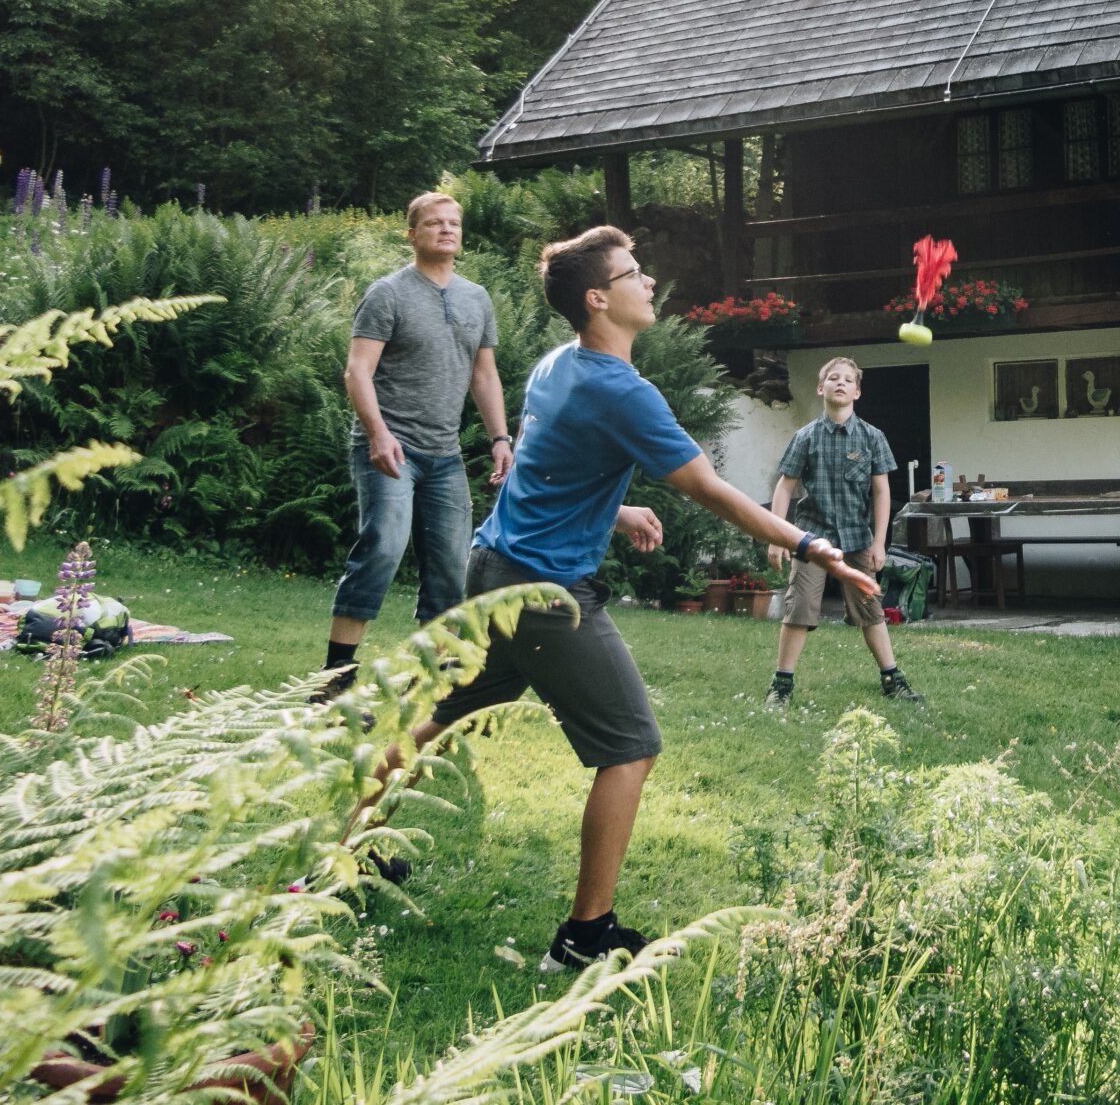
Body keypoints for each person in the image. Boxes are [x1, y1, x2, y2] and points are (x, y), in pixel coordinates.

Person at [360, 227, 878, 970]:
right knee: (630, 749)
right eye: (634, 273)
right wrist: (811, 546)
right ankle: (585, 935)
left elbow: (550, 466)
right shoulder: (621, 389)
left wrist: (619, 509)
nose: (648, 283)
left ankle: (340, 860)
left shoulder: (555, 366)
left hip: (492, 571)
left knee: (439, 718)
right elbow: (712, 492)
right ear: (599, 298)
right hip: (542, 593)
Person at [320, 193, 514, 700]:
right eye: (434, 223)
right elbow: (357, 370)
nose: (447, 230)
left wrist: (499, 437)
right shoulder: (388, 294)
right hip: (389, 449)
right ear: (412, 233)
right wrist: (379, 434)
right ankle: (334, 683)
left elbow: (484, 374)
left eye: (454, 224)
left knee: (452, 570)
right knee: (382, 547)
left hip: (445, 457)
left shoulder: (477, 298)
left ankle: (430, 690)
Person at [764, 357, 919, 707]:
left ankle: (892, 678)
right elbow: (785, 487)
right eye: (833, 378)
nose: (840, 383)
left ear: (857, 392)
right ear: (821, 388)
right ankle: (781, 686)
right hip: (812, 539)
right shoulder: (805, 437)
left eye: (848, 380)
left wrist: (880, 542)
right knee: (800, 606)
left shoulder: (872, 437)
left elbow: (882, 492)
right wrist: (777, 536)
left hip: (857, 540)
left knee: (871, 609)